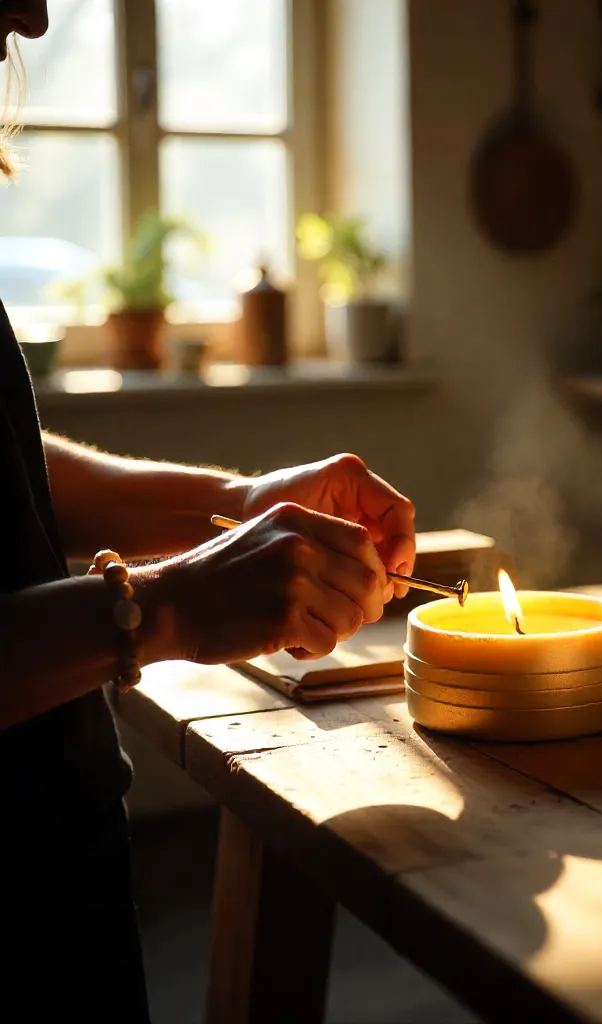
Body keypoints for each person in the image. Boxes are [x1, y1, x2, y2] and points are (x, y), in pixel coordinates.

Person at [0, 3, 417, 1020]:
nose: (35, 14)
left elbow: (6, 465)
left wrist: (229, 502)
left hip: (59, 857)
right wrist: (167, 607)